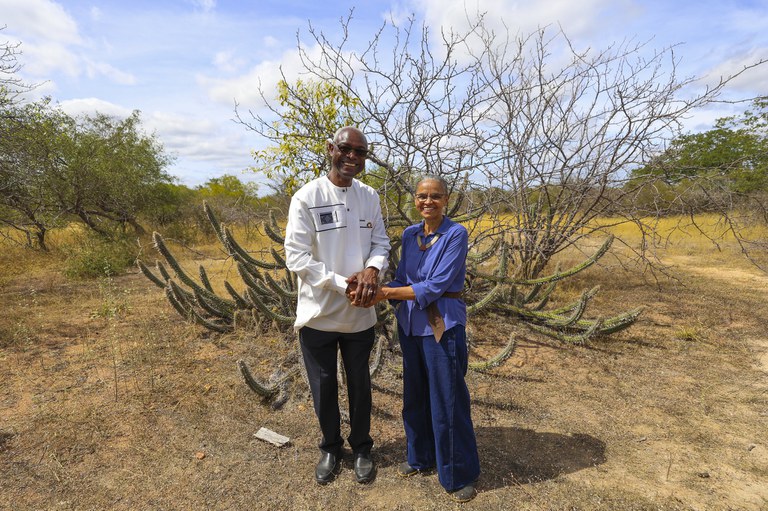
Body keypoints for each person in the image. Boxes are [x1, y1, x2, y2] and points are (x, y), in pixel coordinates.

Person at [350, 175, 480, 502]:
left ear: (446, 200)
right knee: (416, 395)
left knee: (448, 401)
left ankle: (458, 472)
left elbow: (435, 286)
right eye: (422, 196)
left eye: (435, 196)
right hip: (409, 326)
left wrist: (385, 293)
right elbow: (405, 278)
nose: (428, 202)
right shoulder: (410, 235)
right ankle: (420, 456)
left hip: (442, 326)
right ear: (415, 199)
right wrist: (367, 285)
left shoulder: (455, 234)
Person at [284, 126, 390, 485]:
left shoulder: (369, 196)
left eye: (360, 153)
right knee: (324, 385)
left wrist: (373, 270)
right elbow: (296, 258)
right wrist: (345, 283)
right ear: (331, 149)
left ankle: (361, 447)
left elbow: (380, 242)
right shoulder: (307, 197)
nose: (352, 158)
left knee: (360, 384)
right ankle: (330, 447)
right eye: (345, 149)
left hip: (360, 314)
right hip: (318, 314)